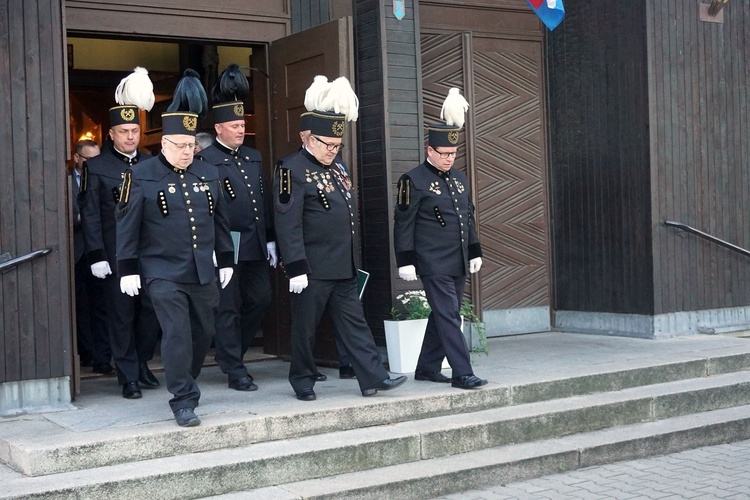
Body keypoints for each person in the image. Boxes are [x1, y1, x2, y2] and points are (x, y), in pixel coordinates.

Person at [273, 75, 407, 401]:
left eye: (337, 146)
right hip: (312, 267)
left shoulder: (337, 167)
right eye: (328, 145)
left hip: (343, 265)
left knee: (355, 324)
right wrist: (295, 266)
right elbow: (287, 222)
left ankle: (373, 376)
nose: (333, 151)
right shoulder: (290, 170)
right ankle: (302, 379)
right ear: (310, 141)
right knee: (305, 327)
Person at [115, 69, 235, 427]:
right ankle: (183, 399)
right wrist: (127, 268)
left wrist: (226, 259)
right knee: (178, 332)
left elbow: (220, 220)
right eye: (180, 146)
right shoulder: (141, 175)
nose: (187, 153)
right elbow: (127, 224)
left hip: (201, 270)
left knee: (203, 333)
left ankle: (187, 379)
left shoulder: (208, 173)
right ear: (164, 144)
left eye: (191, 147)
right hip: (162, 272)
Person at [392, 87, 488, 390]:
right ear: (429, 151)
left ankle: (427, 367)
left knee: (443, 313)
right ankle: (462, 372)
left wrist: (474, 251)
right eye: (443, 154)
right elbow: (403, 224)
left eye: (453, 154)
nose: (448, 159)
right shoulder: (413, 180)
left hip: (457, 258)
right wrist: (405, 261)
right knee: (449, 316)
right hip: (432, 261)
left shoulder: (459, 178)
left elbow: (467, 216)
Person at [79, 67, 161, 399]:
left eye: (135, 130)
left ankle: (141, 363)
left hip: (150, 254)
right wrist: (96, 255)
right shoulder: (96, 167)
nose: (130, 137)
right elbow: (90, 214)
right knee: (121, 316)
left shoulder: (151, 163)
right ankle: (127, 375)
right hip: (114, 256)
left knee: (151, 312)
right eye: (123, 131)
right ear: (110, 134)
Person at [197, 64, 275, 392]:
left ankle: (234, 353)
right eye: (235, 125)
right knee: (227, 305)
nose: (241, 130)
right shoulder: (206, 160)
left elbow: (263, 198)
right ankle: (234, 368)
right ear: (218, 128)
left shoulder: (253, 156)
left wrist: (270, 239)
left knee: (261, 298)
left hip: (254, 241)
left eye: (243, 124)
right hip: (226, 241)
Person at [71, 140, 113, 374]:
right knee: (80, 308)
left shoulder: (104, 176)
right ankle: (85, 354)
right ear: (77, 158)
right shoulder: (66, 181)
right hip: (76, 254)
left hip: (101, 253)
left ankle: (102, 359)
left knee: (102, 307)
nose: (94, 164)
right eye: (89, 160)